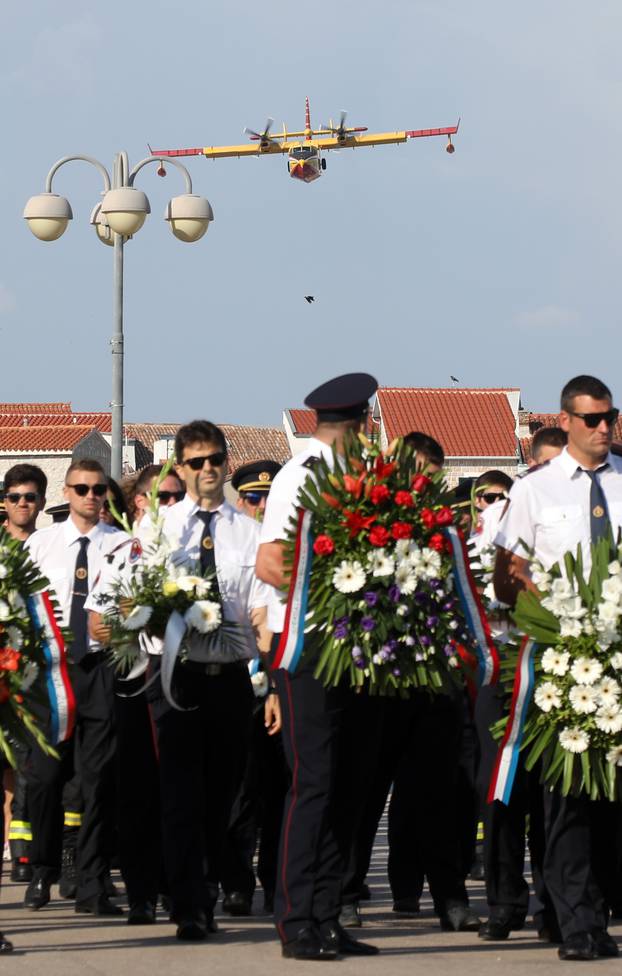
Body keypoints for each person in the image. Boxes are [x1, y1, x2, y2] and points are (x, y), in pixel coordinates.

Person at [494, 374, 622, 962]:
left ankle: (597, 905)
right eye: (592, 419)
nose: (603, 429)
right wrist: (543, 613)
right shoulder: (534, 491)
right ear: (566, 420)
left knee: (612, 798)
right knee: (567, 796)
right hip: (563, 656)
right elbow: (508, 572)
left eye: (610, 418)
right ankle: (577, 921)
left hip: (617, 652)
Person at [256, 372, 381, 961]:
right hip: (308, 648)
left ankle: (328, 914)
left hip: (354, 650)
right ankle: (296, 919)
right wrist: (346, 593)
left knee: (349, 787)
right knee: (314, 785)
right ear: (358, 425)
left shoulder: (358, 477)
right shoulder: (299, 477)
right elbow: (271, 563)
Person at [151, 421, 271, 941]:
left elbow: (262, 611)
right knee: (180, 796)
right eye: (196, 462)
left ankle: (211, 884)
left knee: (223, 796)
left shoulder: (249, 530)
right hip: (179, 676)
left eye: (215, 459)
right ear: (180, 467)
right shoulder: (160, 529)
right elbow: (136, 602)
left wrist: (272, 677)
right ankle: (189, 904)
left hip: (231, 680)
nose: (207, 470)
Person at [23, 458, 128, 916]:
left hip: (101, 669)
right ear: (66, 492)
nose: (90, 496)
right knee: (45, 779)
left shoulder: (124, 545)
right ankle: (42, 869)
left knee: (96, 780)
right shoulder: (41, 545)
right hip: (51, 673)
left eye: (98, 489)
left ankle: (91, 882)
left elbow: (135, 604)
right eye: (81, 488)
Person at [88, 462, 186, 925]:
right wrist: (137, 625)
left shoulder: (191, 550)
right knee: (138, 792)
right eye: (163, 497)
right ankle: (144, 892)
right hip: (136, 678)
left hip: (187, 676)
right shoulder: (120, 554)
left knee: (183, 791)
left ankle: (182, 888)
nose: (171, 505)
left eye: (176, 497)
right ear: (140, 502)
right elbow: (96, 623)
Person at [221, 459, 287, 917]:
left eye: (269, 497)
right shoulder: (229, 542)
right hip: (240, 677)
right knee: (241, 788)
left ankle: (277, 879)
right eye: (251, 498)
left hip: (284, 676)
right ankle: (237, 881)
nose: (261, 506)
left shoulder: (296, 547)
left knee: (282, 787)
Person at [1, 465, 48, 887]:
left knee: (27, 761)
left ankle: (21, 843)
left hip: (37, 669)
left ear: (42, 503)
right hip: (3, 666)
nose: (22, 504)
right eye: (14, 496)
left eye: (30, 497)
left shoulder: (50, 548)